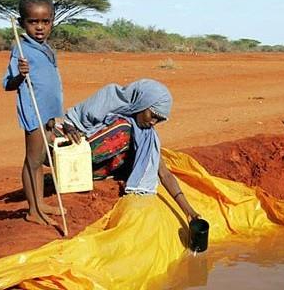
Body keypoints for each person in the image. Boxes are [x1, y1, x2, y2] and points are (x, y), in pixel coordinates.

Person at [61, 78, 200, 221]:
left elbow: (164, 174)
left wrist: (189, 211)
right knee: (123, 129)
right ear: (142, 103)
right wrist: (70, 127)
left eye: (158, 120)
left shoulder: (147, 135)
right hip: (76, 153)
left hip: (96, 173)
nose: (153, 122)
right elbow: (73, 120)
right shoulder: (109, 98)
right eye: (152, 116)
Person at [3, 0, 63, 226]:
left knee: (41, 159)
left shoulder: (48, 49)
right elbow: (8, 83)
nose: (40, 27)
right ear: (22, 23)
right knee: (33, 161)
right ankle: (33, 211)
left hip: (48, 112)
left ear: (52, 21)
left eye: (45, 21)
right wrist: (20, 74)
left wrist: (56, 114)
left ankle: (40, 202)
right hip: (33, 112)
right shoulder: (21, 49)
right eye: (33, 21)